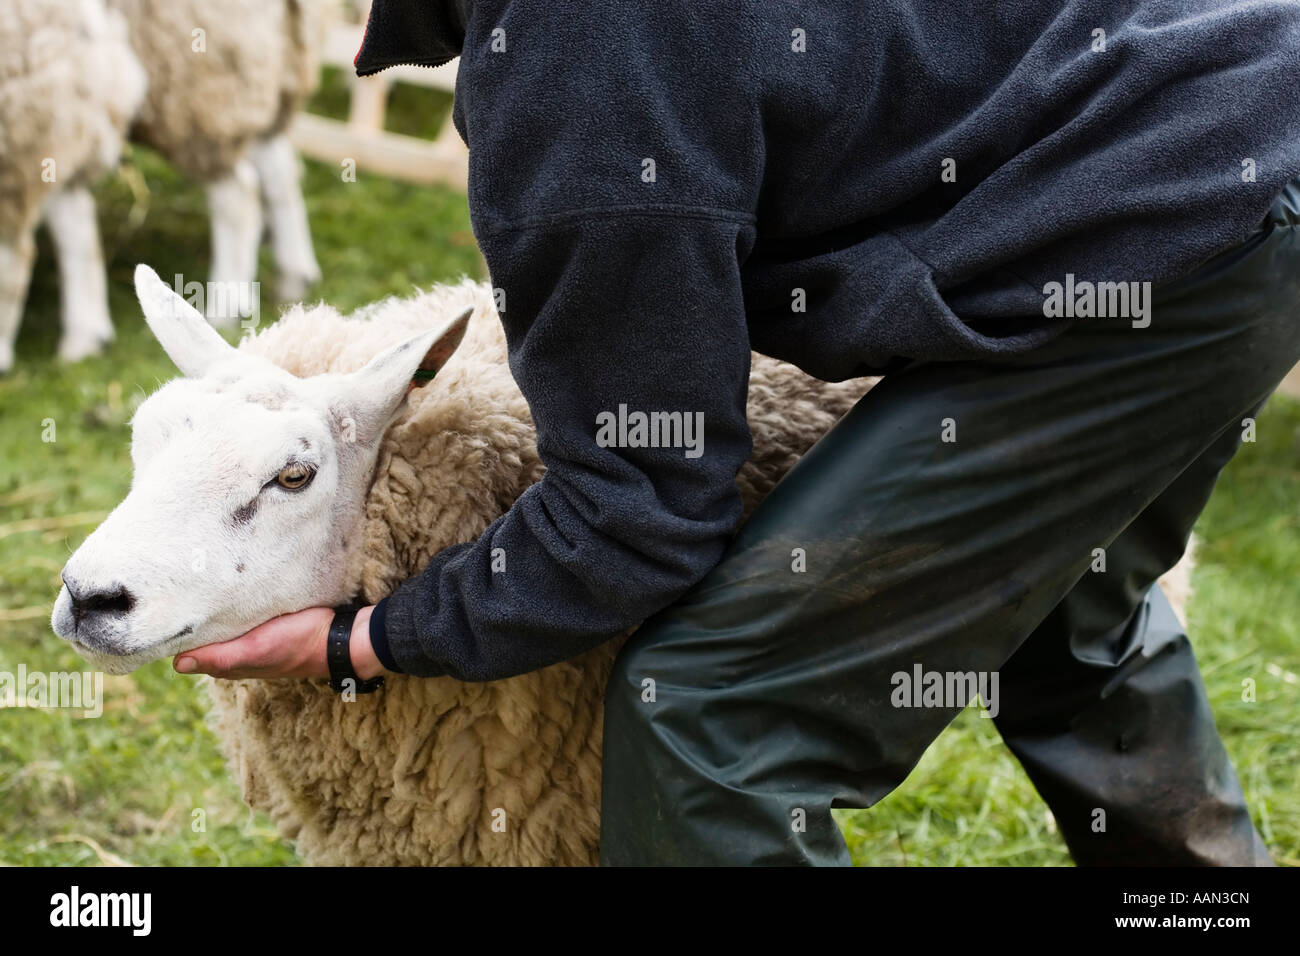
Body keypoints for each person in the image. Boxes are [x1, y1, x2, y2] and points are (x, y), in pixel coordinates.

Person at [173, 0, 1300, 865]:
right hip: (1240, 118)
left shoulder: (576, 67)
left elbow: (642, 507)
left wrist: (356, 643)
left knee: (711, 718)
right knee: (1074, 621)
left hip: (1146, 219)